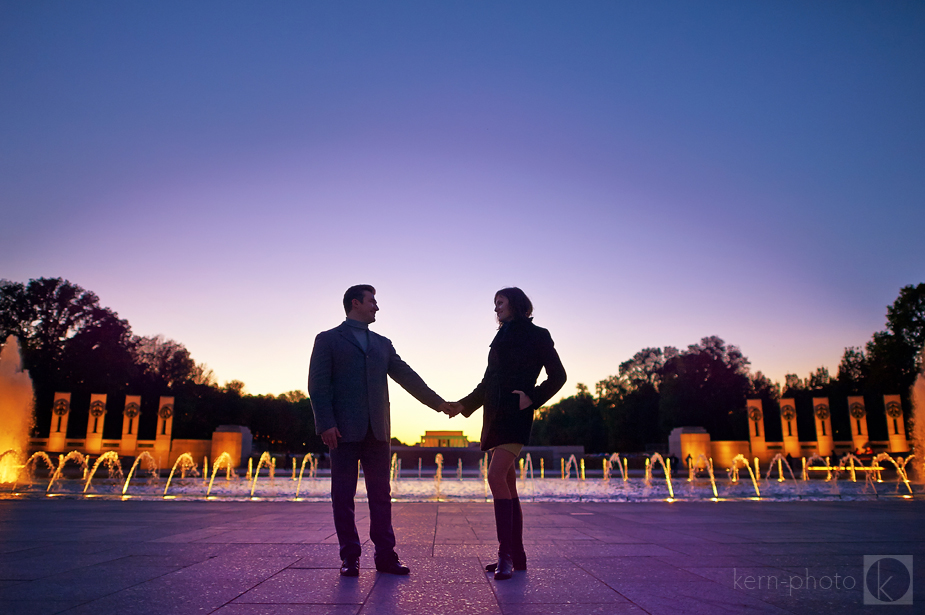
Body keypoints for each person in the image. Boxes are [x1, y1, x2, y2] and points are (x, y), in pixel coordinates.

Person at [309, 284, 453, 577]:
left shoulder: (383, 344)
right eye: (372, 301)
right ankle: (350, 557)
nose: (377, 307)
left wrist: (439, 403)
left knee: (381, 496)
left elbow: (407, 377)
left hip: (378, 433)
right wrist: (325, 423)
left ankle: (386, 557)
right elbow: (317, 385)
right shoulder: (327, 340)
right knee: (342, 496)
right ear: (355, 303)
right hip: (341, 432)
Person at [444, 287, 566, 580]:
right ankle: (517, 555)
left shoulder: (538, 334)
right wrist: (463, 405)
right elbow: (488, 382)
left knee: (495, 476)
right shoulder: (499, 337)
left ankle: (505, 555)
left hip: (516, 414)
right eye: (495, 303)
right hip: (494, 417)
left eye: (500, 302)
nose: (496, 308)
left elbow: (558, 376)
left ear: (516, 304)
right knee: (508, 485)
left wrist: (532, 398)